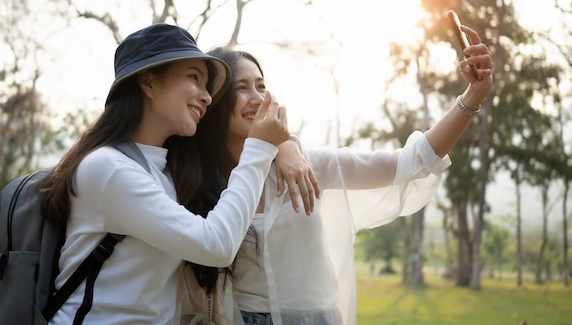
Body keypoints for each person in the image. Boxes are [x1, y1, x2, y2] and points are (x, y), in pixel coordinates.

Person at [175, 24, 494, 325]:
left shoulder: (308, 166)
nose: (258, 98)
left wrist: (473, 95)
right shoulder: (200, 184)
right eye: (241, 88)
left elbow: (413, 162)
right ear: (215, 104)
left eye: (261, 85)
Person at [38, 23, 294, 325]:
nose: (207, 97)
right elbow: (216, 245)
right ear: (148, 82)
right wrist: (260, 149)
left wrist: (288, 147)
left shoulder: (165, 170)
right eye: (194, 78)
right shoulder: (109, 169)